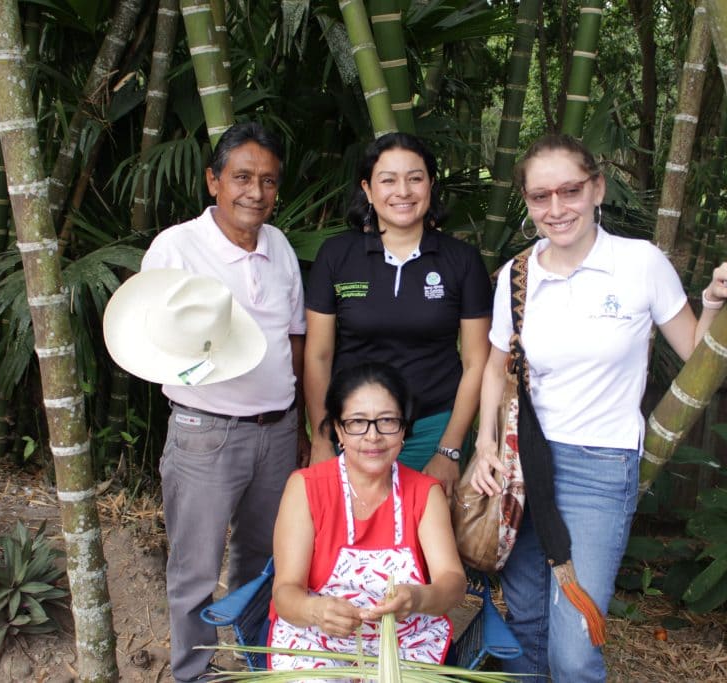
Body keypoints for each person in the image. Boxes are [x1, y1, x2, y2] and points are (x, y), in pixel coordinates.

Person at [470, 134, 727, 682]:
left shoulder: (639, 262)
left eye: (570, 191)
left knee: (575, 647)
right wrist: (485, 444)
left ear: (596, 189)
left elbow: (697, 351)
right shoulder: (518, 274)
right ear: (527, 203)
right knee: (526, 623)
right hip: (522, 466)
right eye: (539, 196)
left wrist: (715, 302)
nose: (556, 209)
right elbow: (495, 364)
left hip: (600, 466)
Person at [140, 122, 307, 682]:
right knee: (195, 569)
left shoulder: (279, 245)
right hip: (205, 430)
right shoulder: (178, 246)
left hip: (278, 430)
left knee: (263, 562)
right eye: (241, 177)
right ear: (214, 181)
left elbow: (296, 337)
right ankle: (195, 674)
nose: (254, 192)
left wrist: (302, 422)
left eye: (267, 181)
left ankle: (257, 664)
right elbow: (150, 337)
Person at [304, 133, 491, 495]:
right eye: (388, 179)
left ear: (431, 185)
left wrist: (448, 450)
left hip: (433, 427)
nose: (402, 191)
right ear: (368, 189)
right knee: (350, 542)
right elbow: (318, 355)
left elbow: (475, 362)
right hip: (354, 430)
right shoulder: (337, 255)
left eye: (415, 178)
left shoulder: (461, 260)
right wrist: (324, 436)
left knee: (424, 544)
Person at [269, 362, 466, 671]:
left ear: (403, 430)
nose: (373, 436)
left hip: (408, 646)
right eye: (357, 422)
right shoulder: (305, 488)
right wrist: (316, 610)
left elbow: (452, 584)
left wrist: (417, 598)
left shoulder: (425, 492)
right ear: (338, 430)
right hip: (318, 643)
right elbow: (285, 593)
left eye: (387, 421)